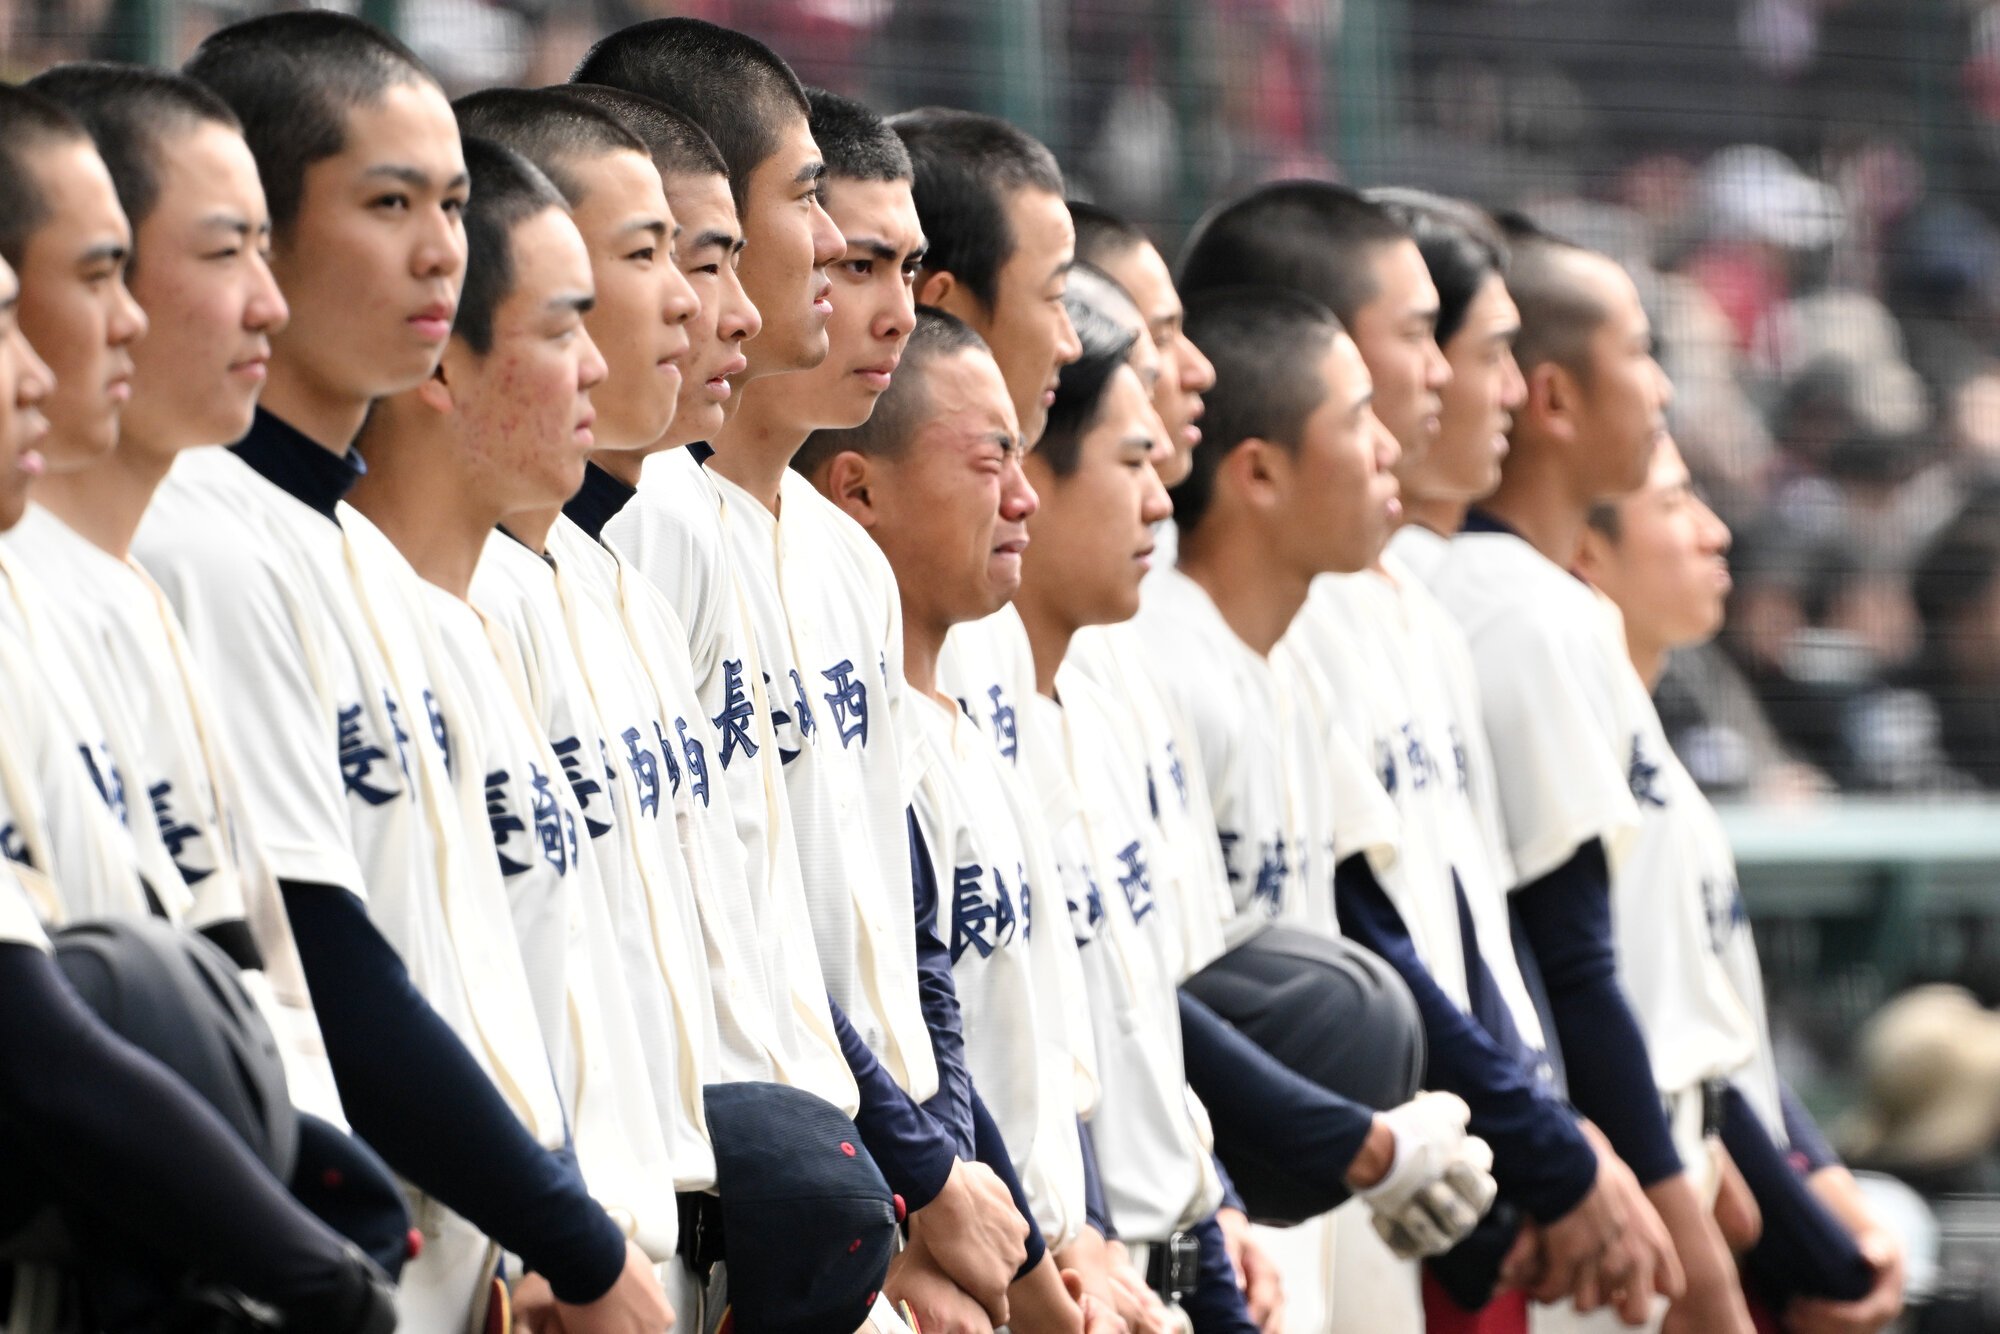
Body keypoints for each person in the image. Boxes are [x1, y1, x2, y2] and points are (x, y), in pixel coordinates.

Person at [134, 14, 671, 1329]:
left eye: (450, 202)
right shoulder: (196, 538)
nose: (443, 248)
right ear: (261, 233)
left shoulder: (385, 573)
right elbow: (325, 957)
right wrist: (579, 1242)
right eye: (388, 203)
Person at [578, 21, 1032, 1327]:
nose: (852, 274)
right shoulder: (650, 518)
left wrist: (934, 1166)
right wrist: (912, 1177)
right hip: (739, 1187)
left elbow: (885, 928)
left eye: (898, 262)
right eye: (818, 218)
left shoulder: (837, 559)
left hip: (848, 1177)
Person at [1182, 181, 1679, 1332]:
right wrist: (1544, 1157)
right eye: (1428, 340)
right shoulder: (1240, 622)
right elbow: (1367, 933)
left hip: (1437, 1180)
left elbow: (1471, 935)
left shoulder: (1397, 599)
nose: (1470, 381)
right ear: (1313, 346)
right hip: (1334, 1185)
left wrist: (1538, 1145)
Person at [0, 103, 394, 1334]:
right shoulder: (118, 571)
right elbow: (47, 1033)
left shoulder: (118, 587)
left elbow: (229, 977)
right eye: (97, 273)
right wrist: (311, 1258)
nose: (265, 305)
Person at [346, 133, 688, 1326]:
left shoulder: (480, 614)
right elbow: (347, 990)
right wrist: (564, 1243)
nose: (597, 366)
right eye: (560, 328)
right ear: (441, 352)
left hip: (574, 1268)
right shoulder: (323, 590)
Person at [1422, 217, 1755, 1334]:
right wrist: (1688, 1229)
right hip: (1591, 1177)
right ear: (1559, 398)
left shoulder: (1523, 603)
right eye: (1638, 349)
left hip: (1604, 1152)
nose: (1660, 383)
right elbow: (1567, 956)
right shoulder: (1523, 610)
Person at [801, 307, 1125, 1333]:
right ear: (857, 488)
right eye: (991, 461)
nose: (1024, 498)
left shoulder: (977, 735)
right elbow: (922, 1038)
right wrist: (1021, 1271)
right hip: (940, 1273)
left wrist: (1067, 1246)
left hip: (1019, 1270)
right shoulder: (866, 749)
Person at [1576, 437, 1907, 1334]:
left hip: (1725, 1199)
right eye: (1677, 506)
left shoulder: (1658, 755)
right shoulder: (1586, 763)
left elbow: (1736, 1052)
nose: (1715, 534)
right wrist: (1815, 1244)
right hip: (1655, 1240)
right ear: (1586, 550)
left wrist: (1829, 1188)